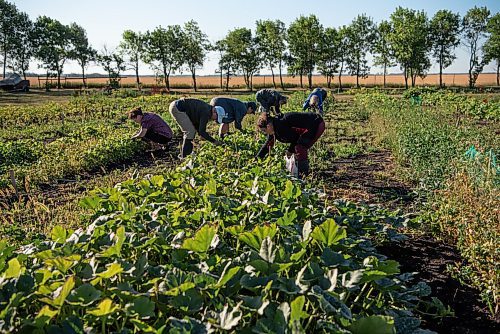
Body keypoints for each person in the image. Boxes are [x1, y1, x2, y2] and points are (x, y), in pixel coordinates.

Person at [256, 112, 325, 177]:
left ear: (268, 126)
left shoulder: (280, 126)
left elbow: (296, 138)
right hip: (311, 124)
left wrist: (289, 151)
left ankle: (303, 175)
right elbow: (267, 146)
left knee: (300, 147)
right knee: (298, 149)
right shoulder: (274, 126)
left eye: (264, 131)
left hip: (316, 123)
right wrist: (256, 160)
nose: (265, 133)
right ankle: (299, 170)